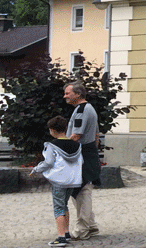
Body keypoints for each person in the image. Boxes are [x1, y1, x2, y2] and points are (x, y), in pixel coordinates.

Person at [31, 115, 82, 247]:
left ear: (52, 130)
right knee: (64, 205)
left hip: (59, 181)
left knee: (58, 207)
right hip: (72, 181)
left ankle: (60, 238)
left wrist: (36, 169)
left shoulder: (52, 145)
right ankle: (66, 233)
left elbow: (48, 162)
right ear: (66, 128)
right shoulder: (77, 145)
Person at [64, 81, 101, 239]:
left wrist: (60, 150)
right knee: (80, 191)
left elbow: (75, 136)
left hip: (82, 155)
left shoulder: (81, 110)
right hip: (89, 153)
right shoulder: (89, 108)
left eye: (67, 93)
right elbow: (97, 136)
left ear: (78, 94)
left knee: (82, 192)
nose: (64, 96)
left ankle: (82, 230)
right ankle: (91, 226)